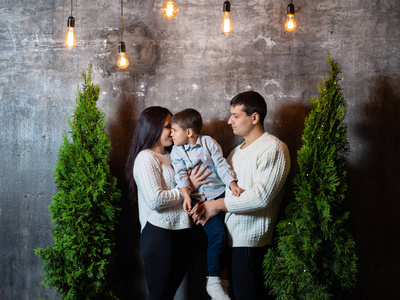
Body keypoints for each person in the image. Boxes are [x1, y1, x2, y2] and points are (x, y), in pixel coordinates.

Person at [190, 91, 291, 300]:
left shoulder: (274, 148)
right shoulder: (235, 152)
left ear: (254, 118)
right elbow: (220, 188)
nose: (229, 121)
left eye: (235, 115)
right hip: (225, 244)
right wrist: (199, 201)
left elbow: (260, 197)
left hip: (249, 246)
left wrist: (216, 205)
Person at [124, 106, 210, 300]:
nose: (172, 130)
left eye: (172, 126)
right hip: (159, 234)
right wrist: (186, 188)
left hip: (183, 233)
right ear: (152, 128)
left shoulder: (174, 156)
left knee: (168, 295)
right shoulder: (146, 158)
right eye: (166, 126)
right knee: (160, 296)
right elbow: (156, 199)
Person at [169, 108, 244, 300]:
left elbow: (221, 165)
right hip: (197, 198)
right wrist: (186, 196)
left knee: (228, 236)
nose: (171, 134)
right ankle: (212, 281)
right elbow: (180, 175)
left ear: (189, 132)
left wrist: (232, 184)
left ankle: (224, 282)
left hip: (219, 194)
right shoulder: (176, 151)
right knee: (217, 235)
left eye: (174, 130)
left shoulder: (208, 142)